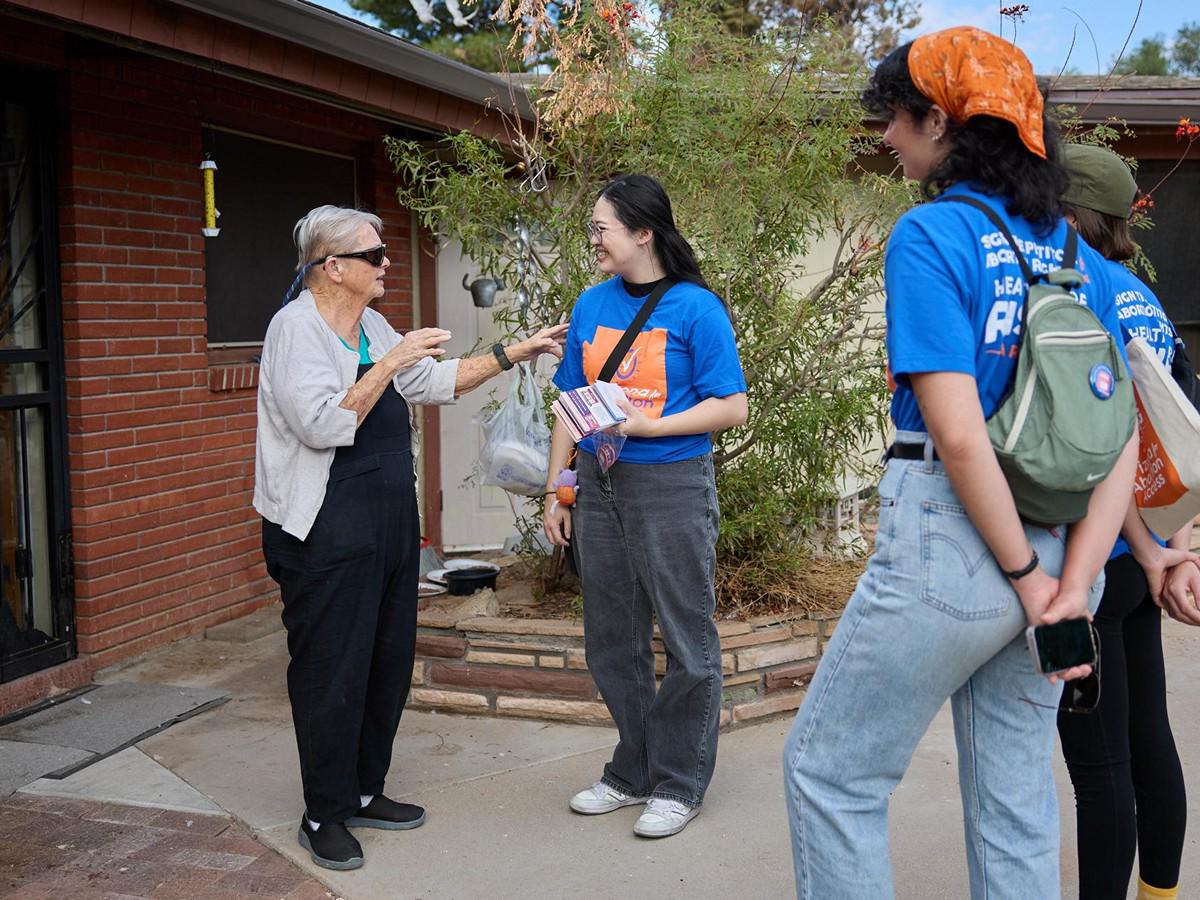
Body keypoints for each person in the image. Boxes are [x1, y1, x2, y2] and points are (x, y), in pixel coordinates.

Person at [781, 27, 1139, 899]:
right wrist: (1066, 590)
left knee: (831, 775)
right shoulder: (1076, 255)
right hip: (1069, 559)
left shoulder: (930, 235)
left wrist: (1022, 580)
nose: (887, 139)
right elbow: (1122, 436)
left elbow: (961, 433)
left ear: (939, 121)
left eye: (895, 121)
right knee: (1015, 799)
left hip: (957, 545)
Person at [254, 205, 567, 870]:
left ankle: (365, 790)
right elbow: (320, 424)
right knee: (331, 673)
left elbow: (431, 381)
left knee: (385, 664)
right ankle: (323, 812)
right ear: (332, 267)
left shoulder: (368, 322)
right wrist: (390, 359)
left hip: (389, 519)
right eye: (374, 256)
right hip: (324, 527)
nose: (386, 264)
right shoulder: (295, 330)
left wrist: (518, 350)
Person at [543, 174, 747, 838]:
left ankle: (681, 782)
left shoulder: (695, 309)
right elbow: (570, 406)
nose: (594, 239)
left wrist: (649, 426)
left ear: (642, 232)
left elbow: (733, 406)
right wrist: (558, 486)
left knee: (689, 641)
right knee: (610, 641)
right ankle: (635, 770)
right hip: (599, 487)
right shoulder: (591, 305)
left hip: (671, 485)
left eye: (602, 228)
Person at [1055, 144, 1200, 900]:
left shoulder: (1074, 289)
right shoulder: (1144, 294)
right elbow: (1184, 433)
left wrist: (1148, 552)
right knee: (1151, 738)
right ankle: (1162, 894)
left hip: (1097, 554)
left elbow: (1091, 434)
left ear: (1067, 213)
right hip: (1149, 553)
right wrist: (1179, 552)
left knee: (1099, 765)